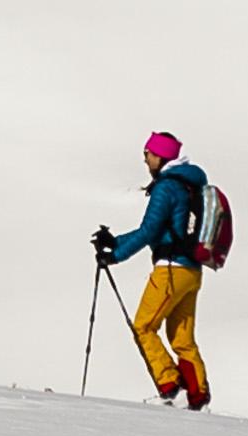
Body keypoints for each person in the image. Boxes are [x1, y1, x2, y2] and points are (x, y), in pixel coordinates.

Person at [93, 131, 223, 408]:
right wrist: (115, 242)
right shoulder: (190, 184)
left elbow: (150, 231)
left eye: (148, 154)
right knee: (182, 338)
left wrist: (114, 255)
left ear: (162, 156)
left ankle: (169, 384)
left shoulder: (166, 187)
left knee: (143, 326)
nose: (145, 159)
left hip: (170, 270)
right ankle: (198, 396)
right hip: (191, 271)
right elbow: (156, 230)